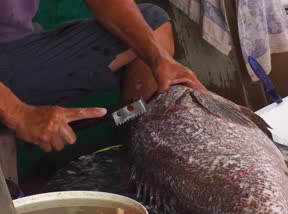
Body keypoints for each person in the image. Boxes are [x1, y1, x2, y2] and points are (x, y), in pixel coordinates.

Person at [0, 0, 205, 152]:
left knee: (153, 24)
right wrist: (18, 113)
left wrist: (160, 58)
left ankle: (130, 145)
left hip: (20, 49)